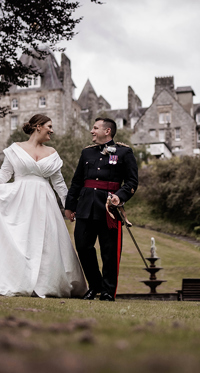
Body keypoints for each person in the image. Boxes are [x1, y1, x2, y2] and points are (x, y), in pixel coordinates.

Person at [0, 114, 87, 298]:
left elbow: (60, 184)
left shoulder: (52, 153)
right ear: (38, 126)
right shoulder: (15, 149)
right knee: (21, 241)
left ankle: (45, 284)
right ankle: (16, 281)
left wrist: (69, 206)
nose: (52, 130)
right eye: (49, 126)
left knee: (46, 243)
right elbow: (4, 175)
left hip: (44, 204)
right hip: (19, 202)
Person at [65, 118, 139, 301]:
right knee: (82, 246)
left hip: (109, 210)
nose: (92, 131)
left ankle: (107, 291)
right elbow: (77, 182)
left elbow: (131, 182)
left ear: (107, 131)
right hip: (86, 207)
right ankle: (95, 285)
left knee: (110, 252)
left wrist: (120, 196)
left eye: (95, 128)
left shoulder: (125, 152)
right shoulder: (86, 153)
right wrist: (70, 206)